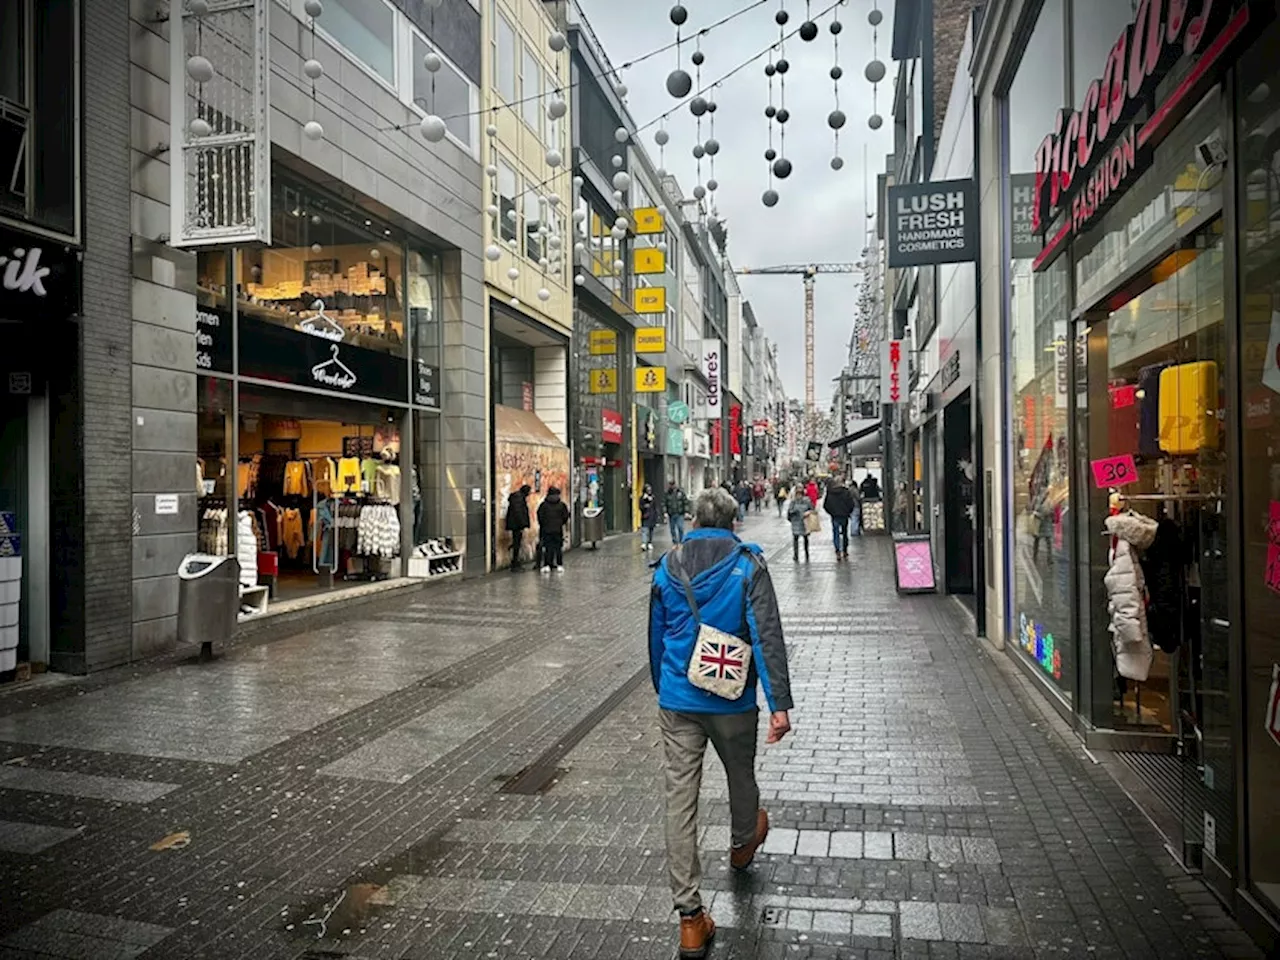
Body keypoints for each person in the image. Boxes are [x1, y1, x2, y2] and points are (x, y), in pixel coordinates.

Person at [648, 488, 793, 959]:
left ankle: (690, 917)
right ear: (734, 521)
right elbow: (767, 634)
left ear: (693, 520)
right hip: (730, 702)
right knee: (741, 775)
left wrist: (663, 687)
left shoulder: (669, 566)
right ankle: (741, 844)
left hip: (678, 699)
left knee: (678, 800)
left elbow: (655, 635)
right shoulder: (747, 565)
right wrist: (778, 704)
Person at [822, 475, 857, 561]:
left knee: (836, 533)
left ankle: (837, 550)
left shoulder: (830, 492)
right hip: (844, 515)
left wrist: (832, 512)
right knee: (845, 533)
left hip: (835, 516)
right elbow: (851, 503)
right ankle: (845, 550)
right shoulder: (846, 492)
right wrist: (848, 511)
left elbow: (826, 505)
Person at [536, 486, 569, 573]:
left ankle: (547, 564)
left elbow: (540, 516)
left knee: (548, 548)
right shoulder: (562, 505)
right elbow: (565, 516)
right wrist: (560, 523)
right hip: (558, 529)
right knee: (558, 548)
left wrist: (544, 524)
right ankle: (559, 564)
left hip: (546, 530)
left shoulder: (543, 505)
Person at [504, 484, 531, 571]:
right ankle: (515, 563)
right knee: (516, 543)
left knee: (516, 543)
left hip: (515, 524)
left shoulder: (517, 497)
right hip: (517, 525)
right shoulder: (519, 499)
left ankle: (515, 562)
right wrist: (523, 524)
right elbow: (518, 513)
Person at [787, 487, 812, 562]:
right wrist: (794, 511)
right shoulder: (793, 502)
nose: (799, 496)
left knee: (805, 538)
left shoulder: (807, 501)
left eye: (800, 494)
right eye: (797, 494)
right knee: (795, 538)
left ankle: (807, 553)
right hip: (795, 522)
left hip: (805, 523)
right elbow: (790, 511)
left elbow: (811, 509)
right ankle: (796, 554)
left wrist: (808, 512)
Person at [664, 480, 689, 544]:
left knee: (680, 527)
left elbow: (685, 502)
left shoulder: (681, 492)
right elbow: (664, 503)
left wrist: (686, 511)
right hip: (671, 514)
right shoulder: (667, 493)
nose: (672, 486)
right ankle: (675, 541)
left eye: (673, 484)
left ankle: (681, 540)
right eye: (670, 484)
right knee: (672, 529)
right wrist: (665, 512)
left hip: (679, 513)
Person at [639, 483, 659, 552]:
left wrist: (656, 516)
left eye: (650, 490)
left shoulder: (653, 498)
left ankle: (650, 542)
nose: (649, 491)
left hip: (652, 517)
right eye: (648, 490)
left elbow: (655, 507)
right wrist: (644, 505)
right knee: (645, 530)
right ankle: (644, 543)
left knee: (651, 531)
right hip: (645, 516)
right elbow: (640, 507)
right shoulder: (642, 498)